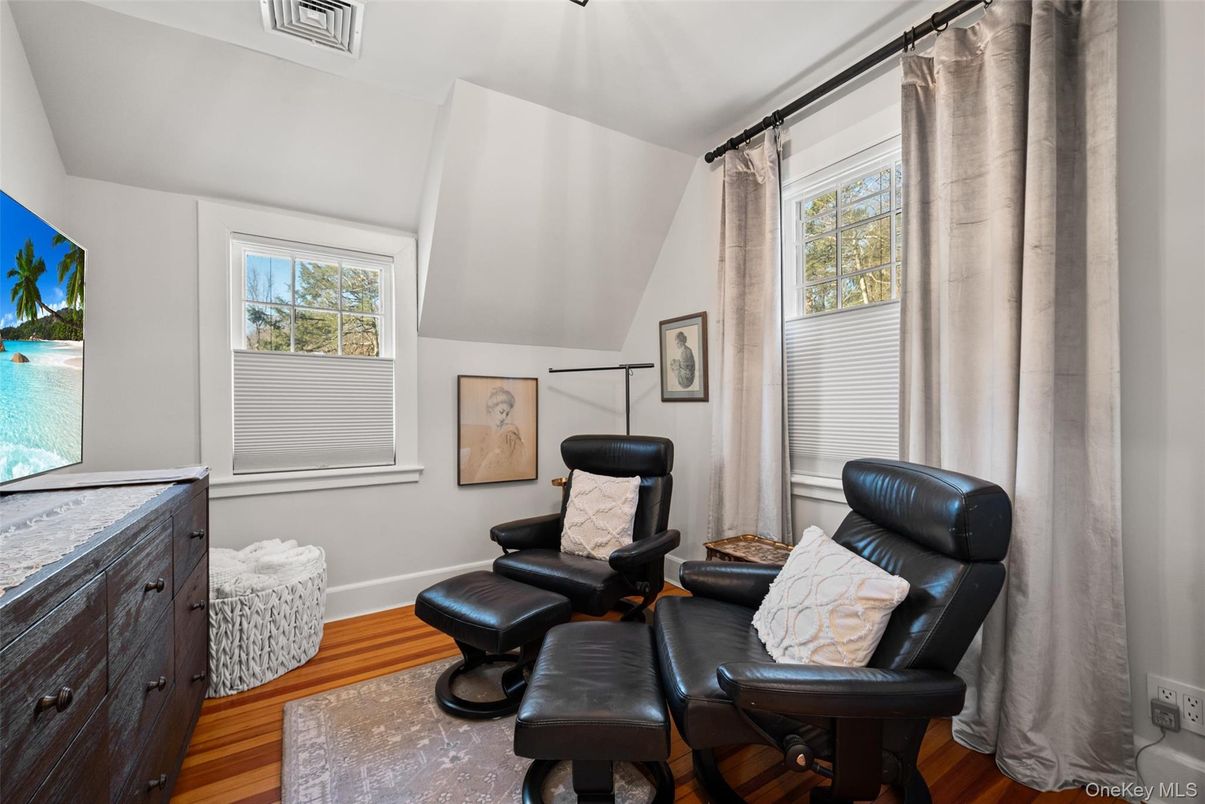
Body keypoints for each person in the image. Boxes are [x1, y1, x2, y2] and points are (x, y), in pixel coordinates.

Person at [461, 386, 528, 483]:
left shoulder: (509, 434)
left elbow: (515, 465)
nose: (504, 417)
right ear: (490, 410)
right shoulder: (483, 433)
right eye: (501, 412)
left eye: (507, 414)